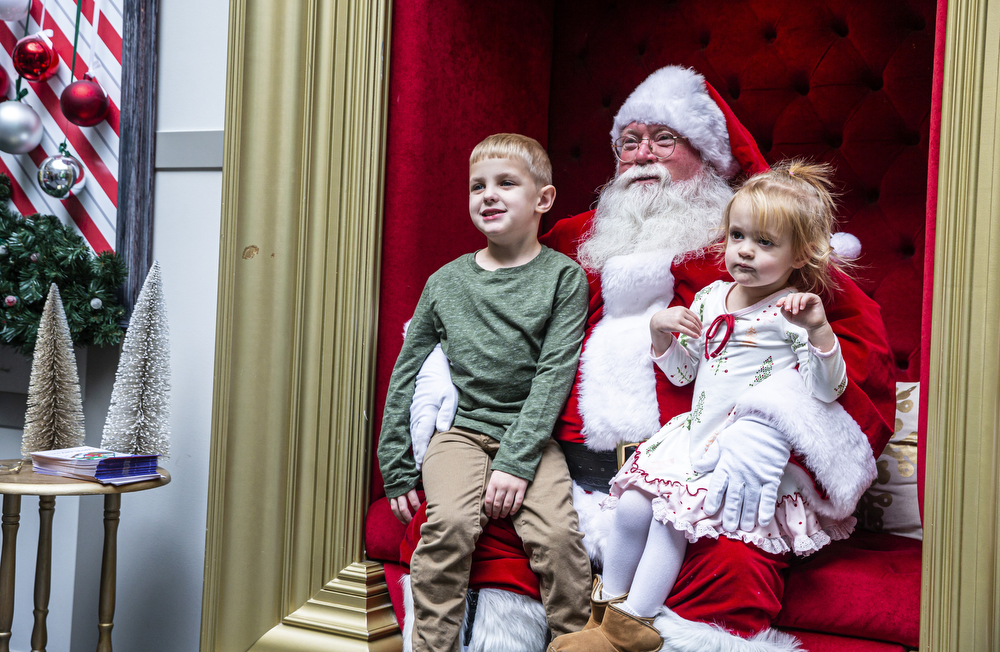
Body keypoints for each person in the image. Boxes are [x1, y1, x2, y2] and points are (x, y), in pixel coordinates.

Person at [406, 66, 895, 652]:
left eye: (664, 140)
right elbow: (479, 302)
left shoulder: (758, 246)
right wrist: (445, 384)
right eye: (629, 142)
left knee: (730, 569)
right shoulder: (569, 239)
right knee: (473, 540)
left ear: (709, 157)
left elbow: (859, 353)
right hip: (561, 473)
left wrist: (772, 428)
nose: (642, 156)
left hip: (695, 482)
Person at [548, 161, 855, 651]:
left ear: (801, 255)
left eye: (766, 243)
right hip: (690, 437)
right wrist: (660, 334)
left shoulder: (791, 312)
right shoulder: (713, 297)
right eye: (738, 236)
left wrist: (819, 331)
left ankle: (633, 626)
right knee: (630, 507)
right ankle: (604, 613)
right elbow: (685, 375)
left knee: (673, 523)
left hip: (732, 450)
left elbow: (826, 390)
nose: (746, 252)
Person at [377, 133, 593, 652]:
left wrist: (516, 462)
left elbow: (553, 376)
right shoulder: (446, 282)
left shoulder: (565, 278)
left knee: (559, 541)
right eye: (478, 186)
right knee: (448, 524)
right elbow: (406, 374)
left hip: (530, 439)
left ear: (543, 199)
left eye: (506, 183)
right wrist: (396, 466)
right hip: (459, 435)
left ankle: (579, 643)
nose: (488, 195)